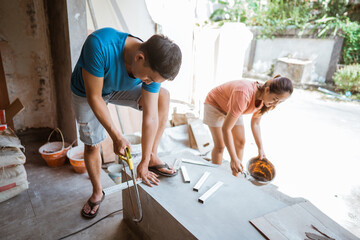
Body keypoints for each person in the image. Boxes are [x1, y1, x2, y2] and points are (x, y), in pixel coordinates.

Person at [70, 27, 182, 218]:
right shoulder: (99, 45)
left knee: (162, 97)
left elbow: (151, 117)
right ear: (139, 58)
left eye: (152, 81)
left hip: (115, 88)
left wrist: (144, 160)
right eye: (149, 78)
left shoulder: (152, 67)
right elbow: (95, 98)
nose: (148, 82)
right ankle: (97, 192)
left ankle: (152, 156)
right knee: (92, 145)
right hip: (88, 91)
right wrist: (117, 137)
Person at [203, 75, 293, 176]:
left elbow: (255, 123)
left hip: (233, 107)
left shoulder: (265, 100)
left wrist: (260, 148)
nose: (275, 104)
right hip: (215, 104)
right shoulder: (243, 94)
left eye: (280, 102)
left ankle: (235, 178)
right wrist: (233, 158)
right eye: (275, 99)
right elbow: (226, 129)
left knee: (241, 142)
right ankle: (215, 175)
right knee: (220, 146)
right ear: (267, 90)